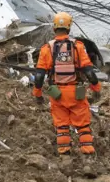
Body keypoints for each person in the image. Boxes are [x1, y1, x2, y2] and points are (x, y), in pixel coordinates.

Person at [32, 12, 101, 156]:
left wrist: (37, 94)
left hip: (57, 93)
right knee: (83, 125)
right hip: (77, 92)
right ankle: (88, 152)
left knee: (62, 125)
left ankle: (64, 153)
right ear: (69, 27)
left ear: (54, 28)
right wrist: (96, 87)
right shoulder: (78, 47)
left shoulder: (47, 49)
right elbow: (89, 72)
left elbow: (39, 76)